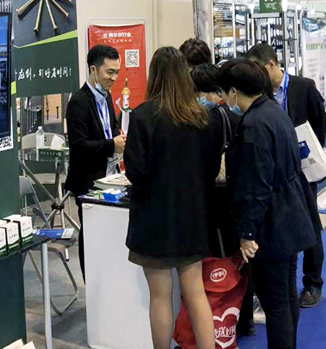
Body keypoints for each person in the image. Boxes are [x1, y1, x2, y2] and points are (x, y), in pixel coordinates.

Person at [124, 47, 221, 349]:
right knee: (195, 293)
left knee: (160, 296)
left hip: (153, 218)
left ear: (153, 75)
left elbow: (135, 171)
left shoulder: (142, 115)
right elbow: (211, 169)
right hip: (192, 216)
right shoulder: (203, 117)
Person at [218, 59, 316, 349]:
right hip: (291, 214)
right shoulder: (273, 111)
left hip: (272, 225)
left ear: (233, 92)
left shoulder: (253, 125)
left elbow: (256, 185)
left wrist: (247, 232)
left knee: (275, 302)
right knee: (286, 294)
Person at [245, 43, 326, 308]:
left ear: (271, 64)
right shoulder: (260, 94)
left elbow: (319, 119)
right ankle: (279, 283)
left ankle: (313, 282)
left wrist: (311, 151)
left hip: (303, 170)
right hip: (273, 174)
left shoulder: (303, 87)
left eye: (258, 68)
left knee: (310, 225)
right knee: (277, 226)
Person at [191, 62, 255, 338]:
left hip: (216, 202)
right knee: (240, 260)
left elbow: (203, 166)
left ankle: (222, 321)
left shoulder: (210, 119)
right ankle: (244, 317)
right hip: (237, 198)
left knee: (218, 264)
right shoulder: (238, 114)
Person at [65, 44, 126, 279]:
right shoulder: (78, 102)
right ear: (93, 70)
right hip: (87, 182)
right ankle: (91, 283)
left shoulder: (106, 96)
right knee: (91, 236)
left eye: (117, 72)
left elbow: (110, 128)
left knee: (109, 235)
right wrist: (111, 145)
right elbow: (79, 146)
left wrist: (119, 138)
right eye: (109, 72)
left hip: (109, 178)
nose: (114, 78)